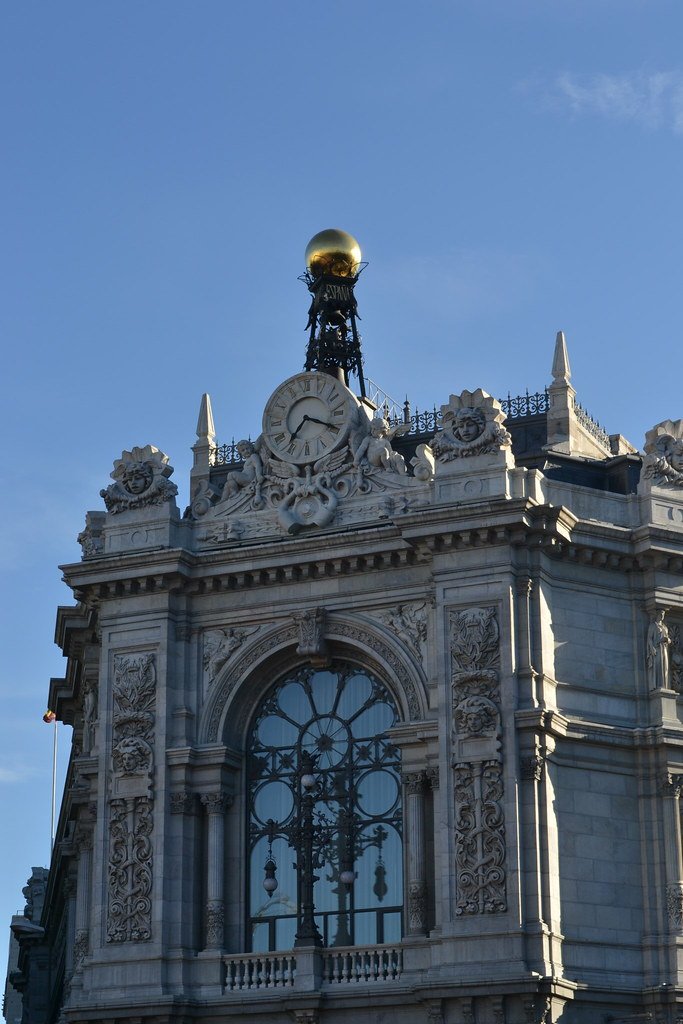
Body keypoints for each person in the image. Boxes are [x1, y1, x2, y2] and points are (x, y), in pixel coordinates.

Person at [647, 609, 671, 689]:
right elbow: (649, 638)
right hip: (657, 649)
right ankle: (658, 685)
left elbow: (668, 639)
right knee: (658, 667)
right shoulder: (653, 626)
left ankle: (664, 685)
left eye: (663, 614)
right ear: (657, 615)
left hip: (664, 649)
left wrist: (667, 640)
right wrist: (652, 648)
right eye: (661, 614)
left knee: (665, 667)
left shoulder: (664, 627)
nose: (662, 616)